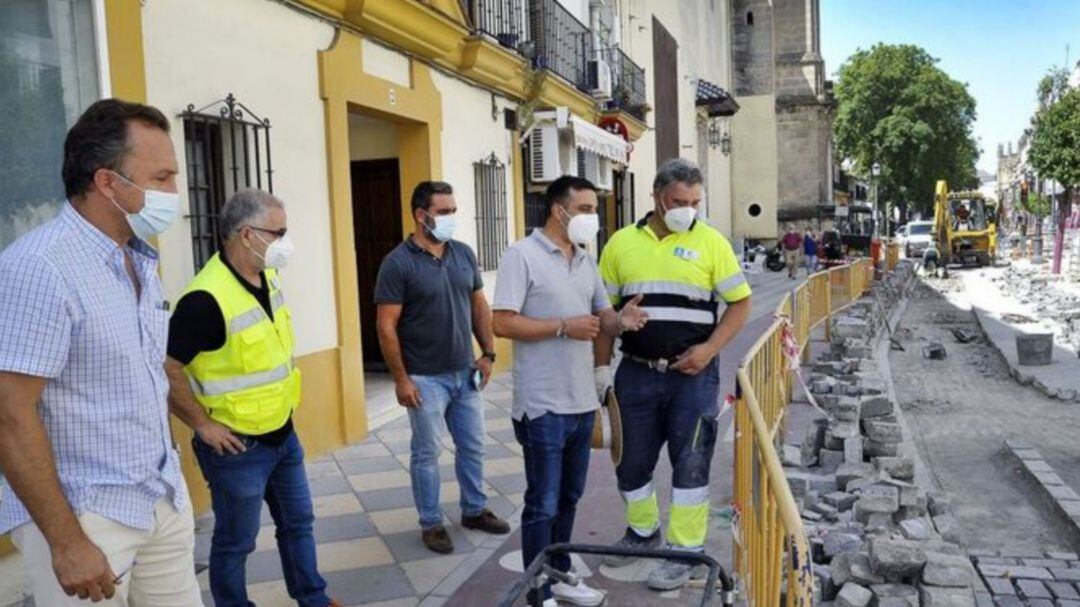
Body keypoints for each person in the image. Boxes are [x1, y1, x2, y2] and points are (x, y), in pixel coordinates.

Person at [0, 99, 203, 605]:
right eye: (161, 177)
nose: (174, 193)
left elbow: (146, 374)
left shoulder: (139, 260)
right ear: (108, 182)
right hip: (87, 516)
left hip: (159, 496)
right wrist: (66, 541)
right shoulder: (39, 267)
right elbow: (9, 412)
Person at [165, 189, 341, 607]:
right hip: (237, 447)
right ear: (247, 235)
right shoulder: (204, 300)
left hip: (283, 435)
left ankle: (313, 598)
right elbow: (167, 366)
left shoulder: (268, 276)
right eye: (278, 233)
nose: (286, 242)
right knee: (236, 542)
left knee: (299, 523)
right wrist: (203, 425)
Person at [596, 158, 752, 591]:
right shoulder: (621, 244)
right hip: (636, 375)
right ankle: (643, 534)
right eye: (679, 201)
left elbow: (740, 303)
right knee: (629, 461)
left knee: (691, 462)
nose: (689, 209)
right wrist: (599, 373)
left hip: (694, 378)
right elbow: (605, 313)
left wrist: (708, 350)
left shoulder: (712, 243)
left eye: (695, 202)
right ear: (657, 197)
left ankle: (684, 551)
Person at [492, 175, 647, 607]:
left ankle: (559, 576)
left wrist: (622, 320)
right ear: (558, 210)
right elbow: (501, 322)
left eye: (594, 210)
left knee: (569, 497)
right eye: (584, 210)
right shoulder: (521, 256)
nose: (592, 219)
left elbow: (600, 316)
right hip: (542, 404)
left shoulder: (584, 259)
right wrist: (563, 327)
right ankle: (536, 590)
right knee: (541, 502)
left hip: (582, 402)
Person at [375, 181, 511, 555]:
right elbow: (386, 325)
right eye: (444, 212)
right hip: (423, 378)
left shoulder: (463, 254)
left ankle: (474, 509)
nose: (452, 218)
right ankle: (431, 523)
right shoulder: (397, 263)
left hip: (464, 373)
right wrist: (401, 380)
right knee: (427, 453)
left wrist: (488, 353)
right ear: (421, 215)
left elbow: (479, 306)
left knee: (473, 446)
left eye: (454, 210)